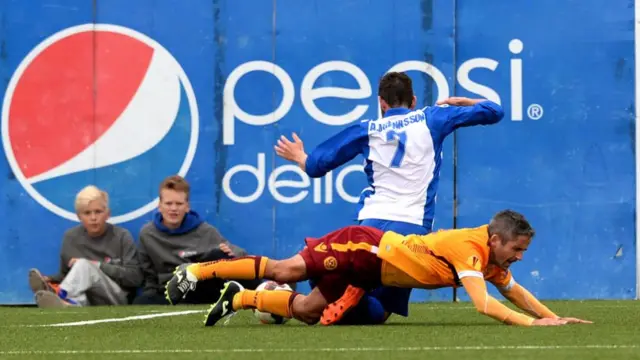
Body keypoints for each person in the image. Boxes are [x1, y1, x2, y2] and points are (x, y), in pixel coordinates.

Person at [272, 71, 504, 324]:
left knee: (328, 288)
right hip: (409, 229)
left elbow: (317, 166)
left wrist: (299, 157)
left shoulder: (367, 130)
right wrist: (465, 102)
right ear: (413, 100)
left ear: (381, 102)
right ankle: (350, 295)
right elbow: (494, 111)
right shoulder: (433, 118)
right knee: (380, 311)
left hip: (369, 225)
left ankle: (326, 281)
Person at [165, 209, 592, 327]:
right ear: (496, 240)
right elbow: (482, 305)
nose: (519, 257)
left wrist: (554, 318)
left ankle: (240, 298)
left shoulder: (494, 257)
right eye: (517, 249)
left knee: (312, 310)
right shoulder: (471, 247)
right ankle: (198, 274)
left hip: (371, 274)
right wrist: (531, 327)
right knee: (284, 270)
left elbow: (514, 291)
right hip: (364, 248)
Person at [133, 175, 260, 305]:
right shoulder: (147, 234)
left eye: (179, 204)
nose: (173, 209)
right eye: (168, 203)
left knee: (218, 255)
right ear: (159, 206)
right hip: (168, 291)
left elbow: (240, 255)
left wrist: (231, 253)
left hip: (200, 287)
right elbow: (149, 275)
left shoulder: (205, 231)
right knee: (140, 302)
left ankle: (259, 295)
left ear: (187, 206)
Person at [28, 185, 143, 308]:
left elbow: (135, 278)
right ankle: (67, 302)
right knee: (80, 280)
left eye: (98, 212)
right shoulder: (70, 237)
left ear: (107, 214)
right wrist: (50, 279)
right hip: (85, 299)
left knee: (83, 265)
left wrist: (96, 265)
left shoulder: (122, 236)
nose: (93, 218)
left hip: (116, 298)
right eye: (87, 213)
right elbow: (66, 276)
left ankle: (60, 294)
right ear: (79, 216)